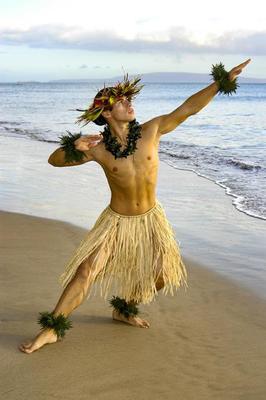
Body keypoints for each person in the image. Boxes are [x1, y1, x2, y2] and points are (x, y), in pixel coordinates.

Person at [19, 59, 251, 354]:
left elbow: (188, 108)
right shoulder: (98, 149)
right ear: (106, 112)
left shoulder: (152, 131)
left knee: (162, 276)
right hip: (115, 223)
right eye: (122, 101)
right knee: (86, 271)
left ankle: (125, 309)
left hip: (151, 219)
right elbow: (54, 161)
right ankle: (52, 330)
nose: (130, 104)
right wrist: (72, 146)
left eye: (130, 99)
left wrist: (221, 82)